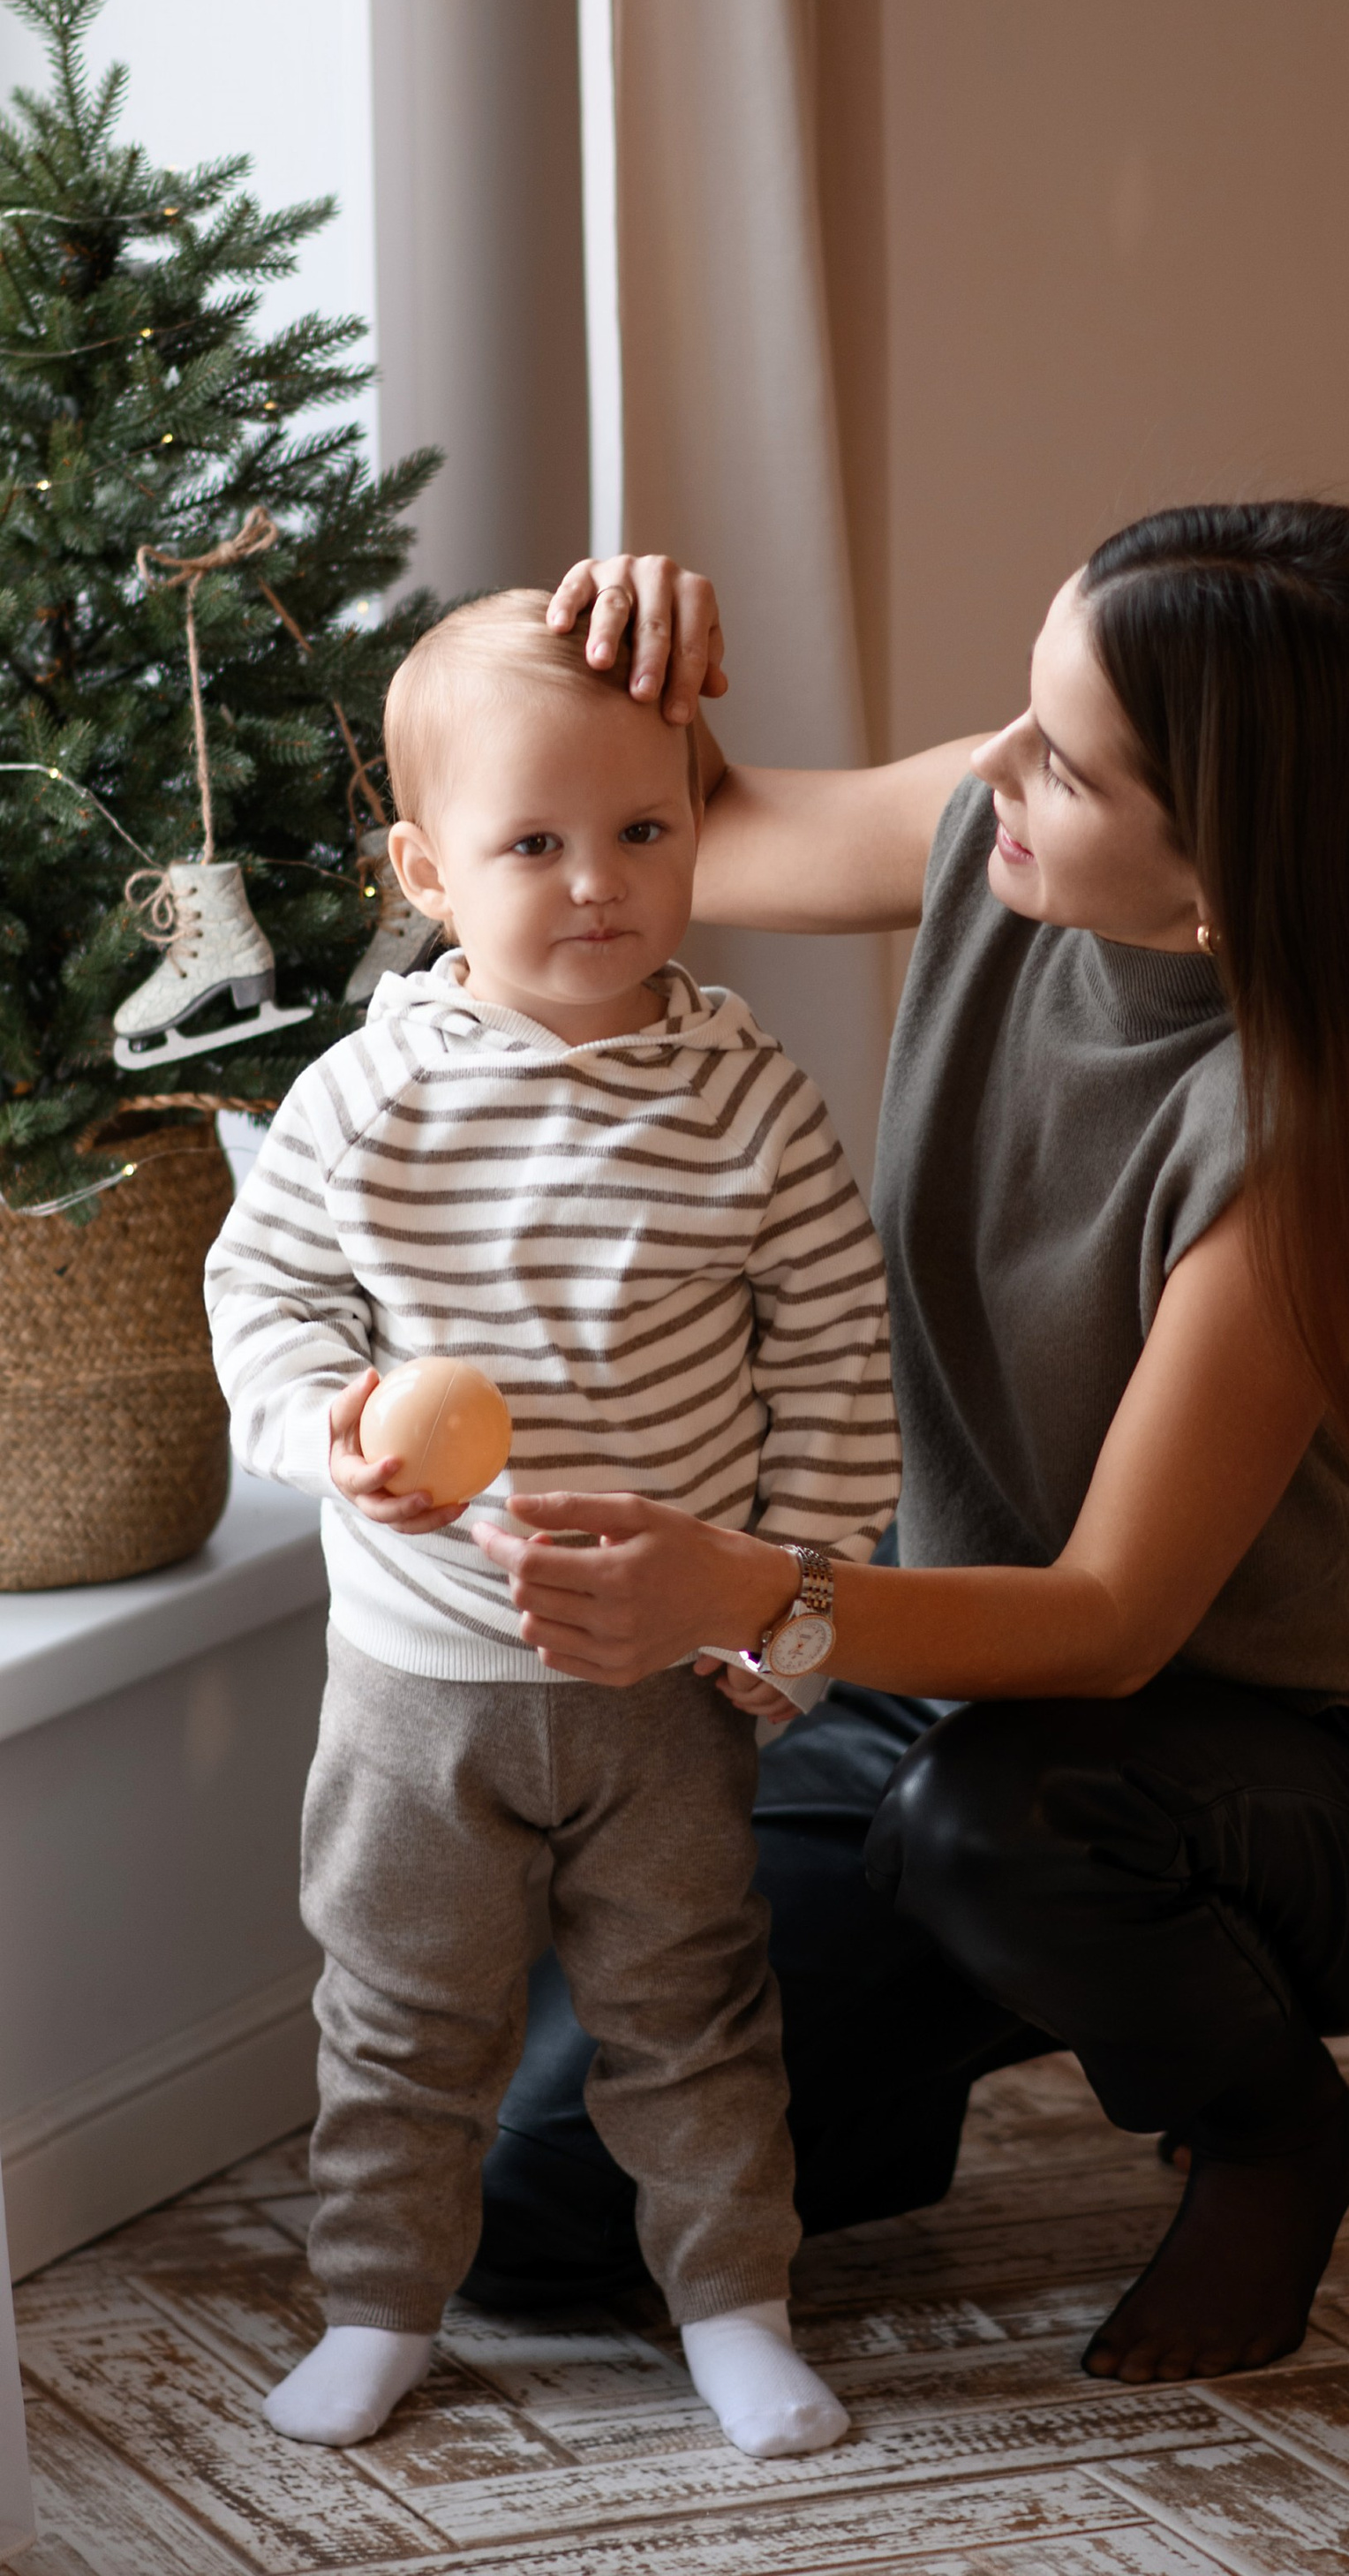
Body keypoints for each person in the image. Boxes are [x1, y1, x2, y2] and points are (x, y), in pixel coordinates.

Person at [471, 500, 1349, 2384]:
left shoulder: (1301, 1137)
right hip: (961, 1693)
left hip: (1323, 1778)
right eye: (1022, 709)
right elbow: (695, 828)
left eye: (1062, 758)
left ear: (1224, 860)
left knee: (999, 1831)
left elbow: (1113, 1624)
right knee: (526, 2209)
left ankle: (1267, 2133)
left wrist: (745, 1593)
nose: (991, 766)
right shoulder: (1006, 840)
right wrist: (616, 661)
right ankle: (890, 2084)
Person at [206, 593, 899, 2456]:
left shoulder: (748, 1098)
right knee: (401, 2019)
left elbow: (838, 1355)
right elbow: (263, 1297)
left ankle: (736, 2308)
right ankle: (377, 2310)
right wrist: (327, 1423)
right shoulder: (367, 1096)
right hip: (417, 1684)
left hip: (663, 1682)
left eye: (642, 831)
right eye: (533, 845)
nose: (597, 883)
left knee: (693, 2012)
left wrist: (791, 1611)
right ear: (428, 874)